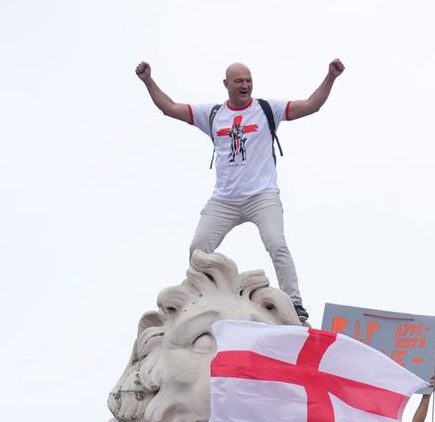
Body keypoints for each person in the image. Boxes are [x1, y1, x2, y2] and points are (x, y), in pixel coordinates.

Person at [134, 58, 345, 323]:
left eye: (249, 80)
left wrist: (331, 77)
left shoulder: (268, 109)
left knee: (277, 243)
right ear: (226, 85)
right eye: (239, 81)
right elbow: (169, 108)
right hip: (225, 199)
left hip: (262, 195)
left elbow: (311, 105)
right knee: (199, 248)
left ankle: (294, 301)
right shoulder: (212, 114)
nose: (245, 85)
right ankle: (200, 297)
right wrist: (148, 80)